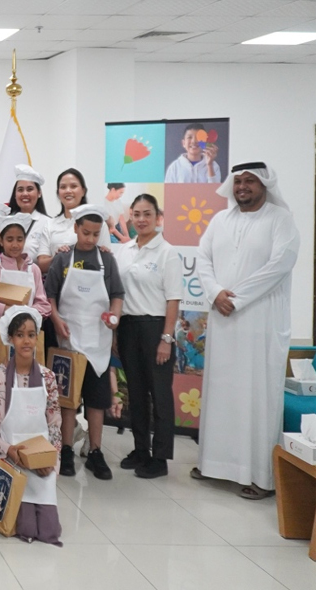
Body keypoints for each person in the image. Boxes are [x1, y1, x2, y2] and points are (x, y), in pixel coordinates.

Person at [194, 162, 299, 499]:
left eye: (250, 181)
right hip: (224, 320)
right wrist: (215, 293)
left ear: (265, 184)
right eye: (238, 181)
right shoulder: (220, 220)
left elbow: (279, 265)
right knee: (221, 393)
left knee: (256, 396)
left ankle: (260, 477)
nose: (242, 187)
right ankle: (214, 464)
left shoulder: (280, 220)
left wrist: (235, 299)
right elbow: (202, 259)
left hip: (260, 324)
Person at [45, 204, 124, 481]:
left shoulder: (107, 261)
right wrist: (56, 319)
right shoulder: (63, 258)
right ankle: (66, 449)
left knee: (97, 401)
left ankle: (95, 452)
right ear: (76, 228)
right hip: (68, 340)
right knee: (68, 400)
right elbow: (50, 295)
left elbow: (117, 295)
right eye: (86, 232)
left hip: (98, 341)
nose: (90, 238)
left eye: (95, 234)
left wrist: (114, 316)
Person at [0, 307, 62, 546]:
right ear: (10, 339)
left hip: (41, 463)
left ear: (37, 338)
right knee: (26, 528)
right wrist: (8, 450)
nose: (26, 341)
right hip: (11, 461)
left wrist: (51, 461)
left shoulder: (48, 378)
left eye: (31, 335)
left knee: (49, 531)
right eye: (20, 335)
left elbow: (55, 425)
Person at [114, 194, 181, 479]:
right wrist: (116, 333)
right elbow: (117, 294)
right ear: (130, 216)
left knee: (160, 395)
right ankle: (141, 449)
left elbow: (173, 299)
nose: (141, 220)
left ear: (158, 217)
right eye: (137, 214)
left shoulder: (168, 252)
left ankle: (160, 457)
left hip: (156, 328)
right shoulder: (123, 251)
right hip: (128, 327)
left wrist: (166, 338)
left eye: (147, 214)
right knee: (137, 393)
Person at [0, 213, 51, 378]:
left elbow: (43, 304)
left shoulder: (33, 270)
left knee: (22, 381)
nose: (15, 244)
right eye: (9, 239)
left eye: (19, 239)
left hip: (25, 337)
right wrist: (4, 309)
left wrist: (26, 314)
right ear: (1, 241)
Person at [30, 168, 112, 277]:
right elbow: (41, 264)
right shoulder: (50, 224)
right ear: (58, 193)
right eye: (63, 187)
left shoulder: (98, 224)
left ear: (83, 191)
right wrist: (58, 258)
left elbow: (106, 261)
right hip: (56, 285)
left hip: (88, 283)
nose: (68, 191)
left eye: (73, 186)